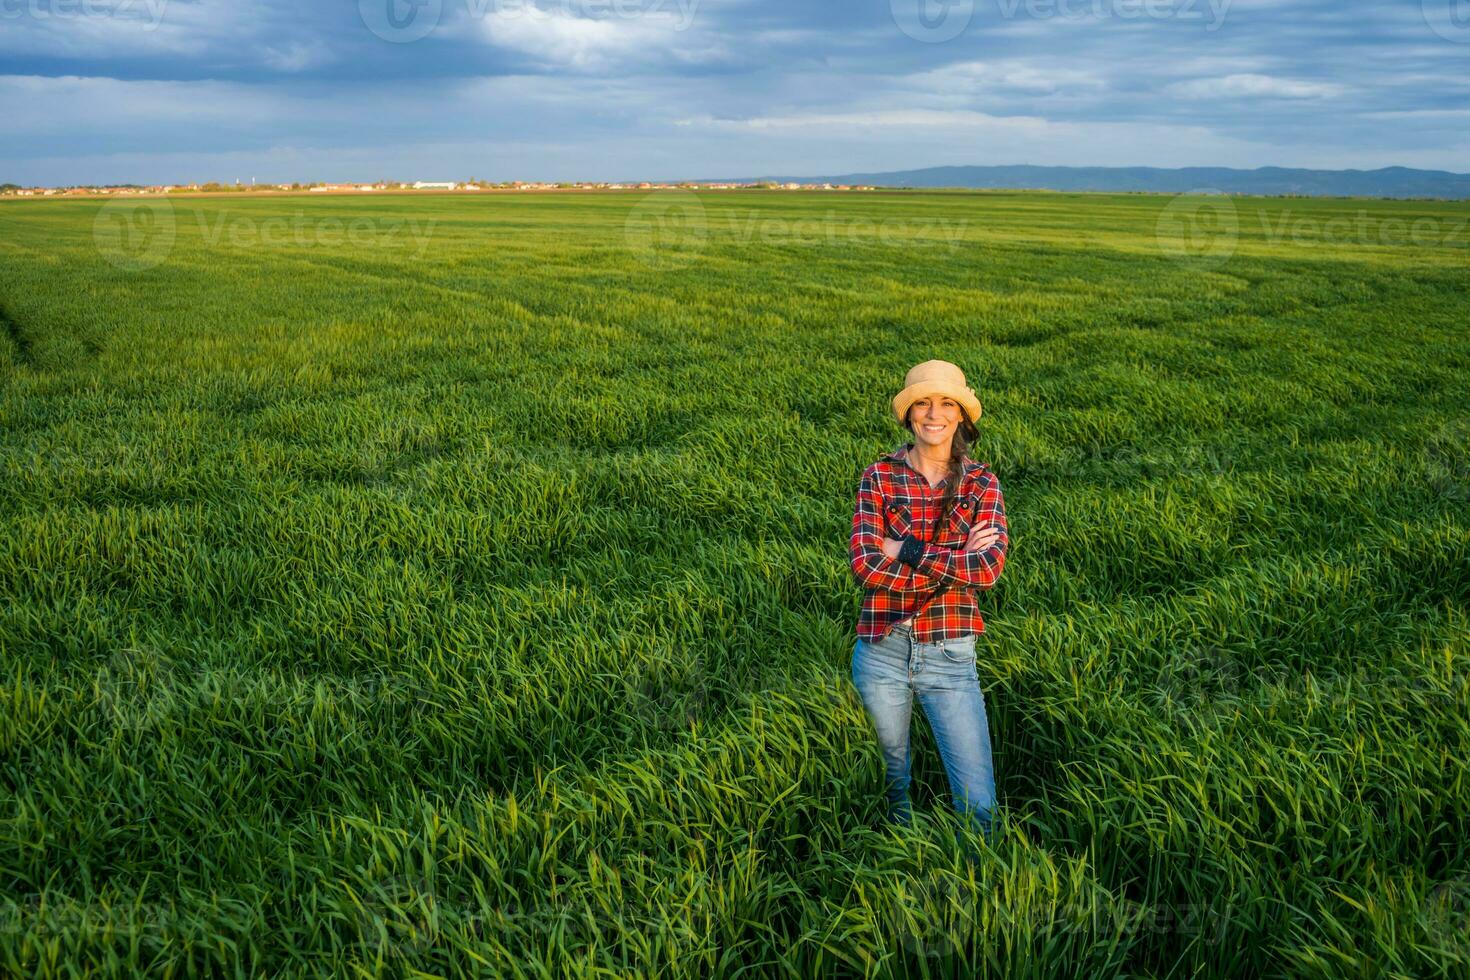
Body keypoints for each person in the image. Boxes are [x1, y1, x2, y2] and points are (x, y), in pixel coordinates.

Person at [847, 359, 1009, 855]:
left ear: (962, 416)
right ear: (908, 414)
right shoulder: (879, 476)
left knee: (979, 806)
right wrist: (957, 555)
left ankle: (978, 891)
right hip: (882, 651)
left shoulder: (982, 484)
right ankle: (903, 874)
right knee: (891, 789)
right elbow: (865, 565)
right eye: (922, 402)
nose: (933, 413)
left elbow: (988, 571)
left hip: (951, 656)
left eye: (946, 404)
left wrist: (908, 549)